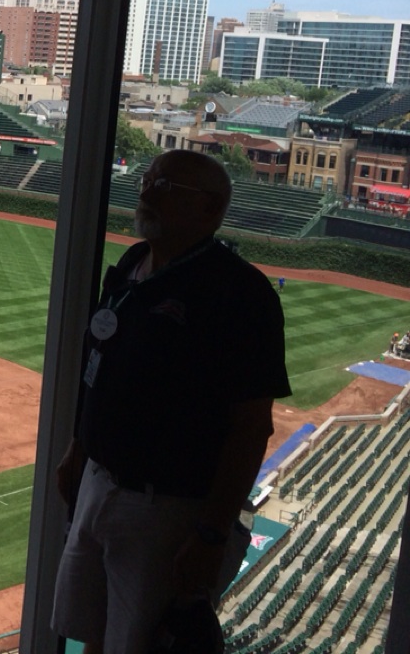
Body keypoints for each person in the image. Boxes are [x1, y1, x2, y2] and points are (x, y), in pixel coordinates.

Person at [52, 149, 291, 654]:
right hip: (98, 484)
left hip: (167, 510)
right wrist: (80, 445)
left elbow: (251, 427)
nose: (146, 192)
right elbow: (101, 369)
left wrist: (211, 534)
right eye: (148, 180)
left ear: (210, 210)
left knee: (135, 645)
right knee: (90, 634)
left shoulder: (240, 292)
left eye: (165, 186)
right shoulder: (131, 264)